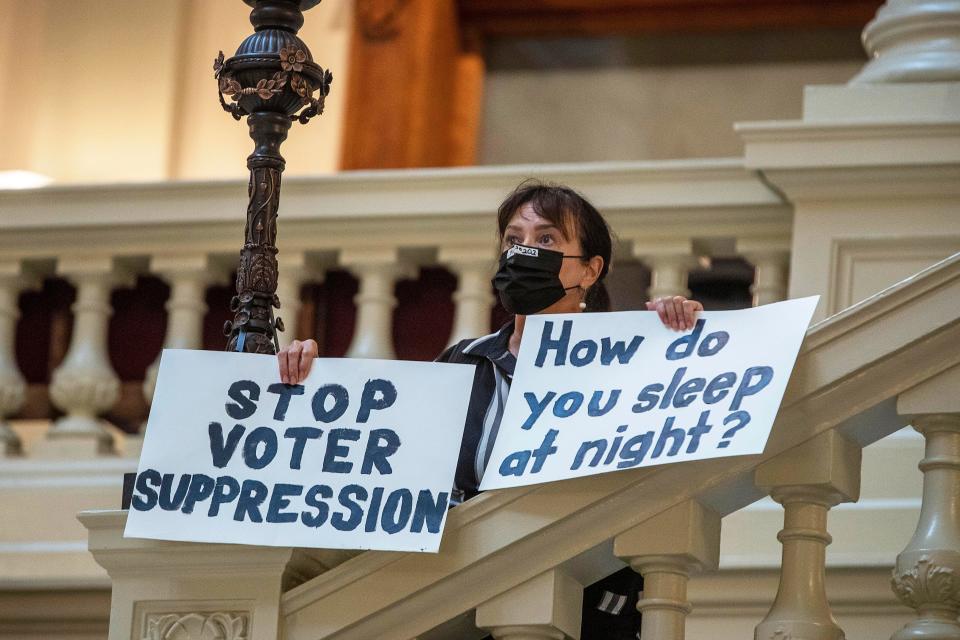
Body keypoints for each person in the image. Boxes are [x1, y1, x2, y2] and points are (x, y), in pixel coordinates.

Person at [277, 181, 703, 639]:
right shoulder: (464, 361)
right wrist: (311, 386)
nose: (524, 252)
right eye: (513, 240)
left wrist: (676, 344)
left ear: (590, 270)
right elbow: (390, 466)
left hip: (578, 598)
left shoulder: (627, 361)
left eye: (546, 239)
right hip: (455, 581)